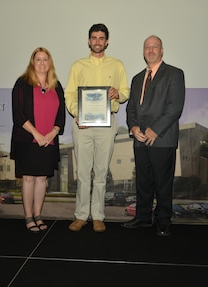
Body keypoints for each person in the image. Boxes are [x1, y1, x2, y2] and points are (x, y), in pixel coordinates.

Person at [65, 23, 129, 232]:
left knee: (101, 173)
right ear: (88, 40)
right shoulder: (78, 65)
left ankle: (99, 216)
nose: (97, 42)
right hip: (82, 126)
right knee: (83, 173)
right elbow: (70, 95)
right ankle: (81, 216)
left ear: (107, 41)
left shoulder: (117, 65)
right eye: (94, 38)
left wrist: (117, 94)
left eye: (101, 38)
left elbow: (126, 91)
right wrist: (78, 114)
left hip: (106, 124)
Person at [121, 35, 185, 237]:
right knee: (143, 182)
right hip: (140, 140)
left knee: (162, 183)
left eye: (154, 47)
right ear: (143, 51)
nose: (150, 50)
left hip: (162, 139)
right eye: (147, 47)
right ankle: (142, 217)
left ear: (162, 50)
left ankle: (164, 220)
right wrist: (133, 127)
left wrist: (155, 130)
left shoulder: (174, 74)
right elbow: (131, 108)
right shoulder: (137, 78)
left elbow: (175, 107)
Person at [10, 47, 65, 233]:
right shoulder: (22, 83)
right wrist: (36, 134)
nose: (42, 63)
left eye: (45, 59)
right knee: (28, 178)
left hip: (49, 141)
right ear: (32, 62)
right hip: (28, 140)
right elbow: (18, 114)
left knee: (42, 179)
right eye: (38, 59)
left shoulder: (56, 85)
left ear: (50, 63)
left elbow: (61, 116)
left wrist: (52, 133)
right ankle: (28, 217)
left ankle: (38, 214)